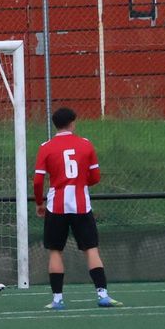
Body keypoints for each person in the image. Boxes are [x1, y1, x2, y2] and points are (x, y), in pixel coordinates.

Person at [34, 106, 119, 310]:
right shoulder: (85, 144)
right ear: (73, 123)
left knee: (55, 251)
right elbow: (95, 177)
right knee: (91, 249)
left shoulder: (46, 147)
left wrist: (39, 202)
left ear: (55, 124)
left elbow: (38, 181)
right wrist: (80, 183)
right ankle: (103, 295)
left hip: (57, 205)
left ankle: (57, 300)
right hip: (81, 204)